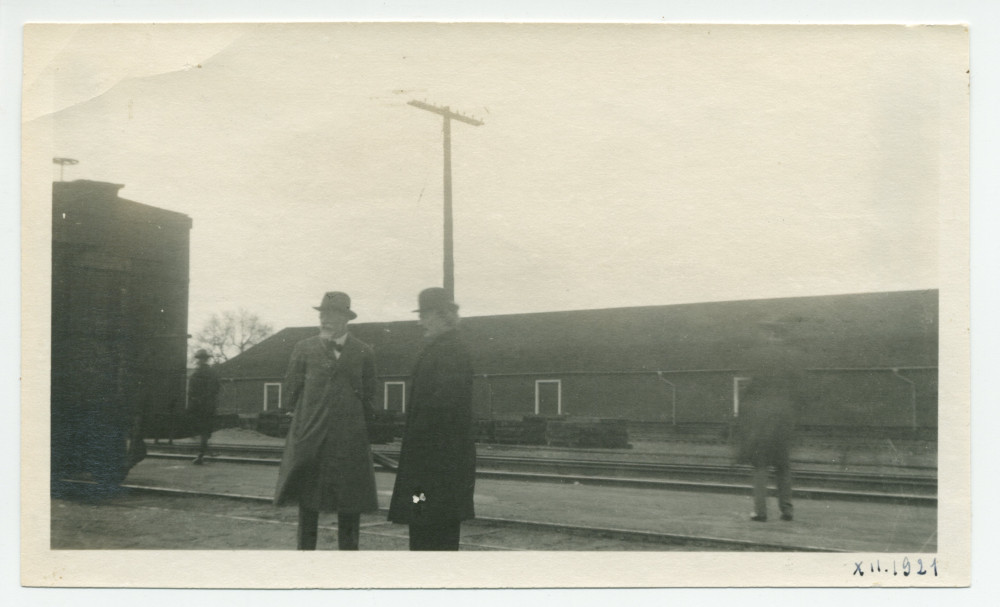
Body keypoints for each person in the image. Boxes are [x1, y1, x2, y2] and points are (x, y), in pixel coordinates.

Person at [273, 291, 379, 550]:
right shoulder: (304, 348)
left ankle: (348, 559)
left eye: (331, 315)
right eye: (322, 314)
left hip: (348, 442)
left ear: (346, 318)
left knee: (350, 502)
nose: (324, 320)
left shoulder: (364, 351)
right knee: (308, 501)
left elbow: (369, 394)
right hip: (311, 439)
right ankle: (306, 556)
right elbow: (290, 392)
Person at [388, 287, 476, 550]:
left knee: (436, 524)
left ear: (442, 315)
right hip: (427, 462)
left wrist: (418, 441)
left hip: (439, 462)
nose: (420, 322)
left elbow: (444, 405)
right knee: (421, 515)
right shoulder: (439, 349)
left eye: (425, 315)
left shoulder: (452, 351)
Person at [735, 317, 808, 522]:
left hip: (762, 418)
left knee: (760, 465)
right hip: (784, 417)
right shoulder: (793, 356)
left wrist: (742, 416)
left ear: (770, 334)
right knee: (783, 465)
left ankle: (760, 512)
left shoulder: (759, 356)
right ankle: (787, 509)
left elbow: (751, 387)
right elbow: (800, 389)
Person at [188, 349, 220, 465]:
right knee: (204, 431)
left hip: (201, 406)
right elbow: (216, 389)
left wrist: (198, 399)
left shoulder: (199, 373)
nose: (199, 361)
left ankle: (201, 454)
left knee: (201, 430)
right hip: (207, 405)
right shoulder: (211, 372)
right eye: (199, 358)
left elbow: (192, 391)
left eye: (201, 358)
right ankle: (203, 452)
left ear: (204, 359)